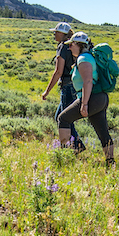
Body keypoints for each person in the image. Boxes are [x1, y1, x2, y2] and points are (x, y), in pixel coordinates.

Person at [56, 32, 115, 165]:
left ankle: (64, 156)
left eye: (71, 45)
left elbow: (87, 81)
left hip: (92, 98)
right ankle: (111, 163)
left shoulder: (83, 59)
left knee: (63, 118)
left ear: (78, 44)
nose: (69, 48)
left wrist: (84, 104)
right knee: (102, 131)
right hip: (100, 98)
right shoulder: (88, 57)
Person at [41, 22, 85, 151]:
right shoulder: (72, 45)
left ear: (62, 34)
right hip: (75, 85)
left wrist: (47, 91)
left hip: (67, 87)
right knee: (60, 117)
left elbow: (58, 71)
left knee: (64, 119)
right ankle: (74, 144)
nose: (54, 34)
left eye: (56, 32)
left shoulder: (62, 47)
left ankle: (75, 146)